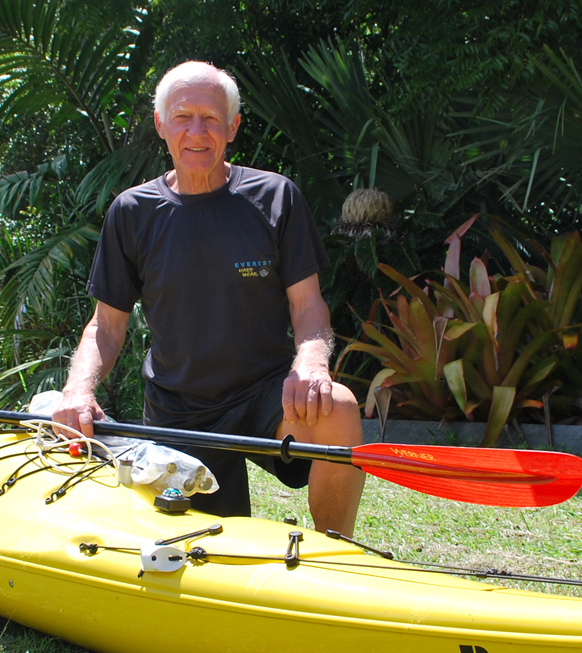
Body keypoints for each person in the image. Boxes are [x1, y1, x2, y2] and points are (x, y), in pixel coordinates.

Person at [51, 60, 365, 534]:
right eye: (182, 117)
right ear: (160, 124)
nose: (196, 132)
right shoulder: (131, 212)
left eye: (211, 118)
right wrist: (78, 390)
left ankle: (333, 556)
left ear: (233, 127)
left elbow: (308, 305)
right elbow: (106, 327)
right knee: (204, 544)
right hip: (179, 410)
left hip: (266, 394)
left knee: (337, 408)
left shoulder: (276, 197)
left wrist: (311, 363)